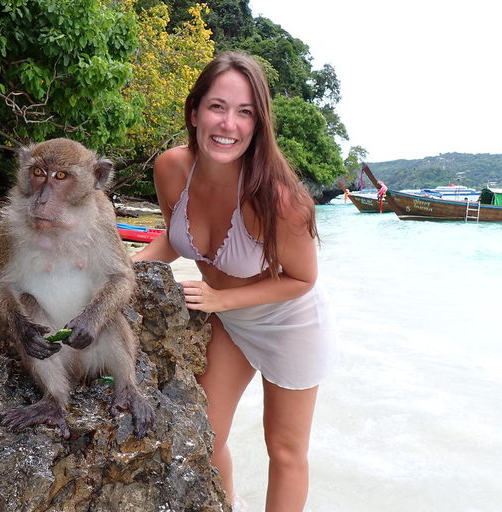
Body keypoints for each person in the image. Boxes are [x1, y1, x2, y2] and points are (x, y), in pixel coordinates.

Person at [131, 51, 338, 512]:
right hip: (230, 316)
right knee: (205, 432)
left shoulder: (282, 201)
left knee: (284, 451)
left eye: (245, 112)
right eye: (218, 106)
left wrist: (222, 299)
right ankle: (225, 504)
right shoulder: (171, 169)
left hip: (290, 324)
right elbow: (175, 237)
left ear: (258, 124)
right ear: (195, 112)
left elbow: (303, 278)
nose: (229, 124)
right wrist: (128, 268)